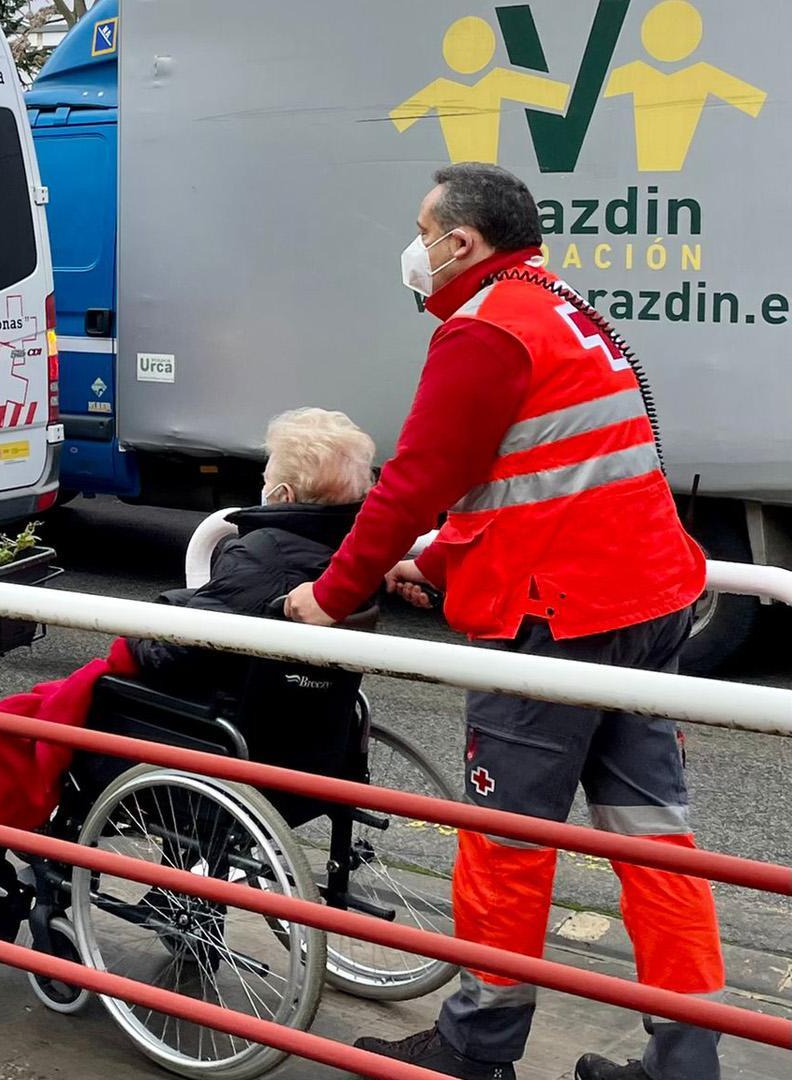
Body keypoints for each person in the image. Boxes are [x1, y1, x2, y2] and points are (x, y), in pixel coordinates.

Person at [282, 164, 717, 1080]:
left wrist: (330, 592)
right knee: (654, 838)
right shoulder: (561, 307)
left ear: (461, 243)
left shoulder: (483, 333)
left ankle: (474, 1052)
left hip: (553, 623)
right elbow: (538, 474)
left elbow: (416, 480)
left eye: (421, 229)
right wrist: (437, 562)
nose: (415, 248)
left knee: (507, 843)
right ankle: (687, 1058)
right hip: (648, 602)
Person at [0, 408, 375, 910]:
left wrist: (147, 626)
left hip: (215, 734)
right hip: (304, 744)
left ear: (284, 495)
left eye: (267, 474)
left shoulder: (263, 553)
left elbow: (176, 650)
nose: (261, 482)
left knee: (17, 719)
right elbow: (224, 616)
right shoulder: (348, 558)